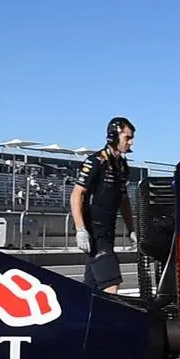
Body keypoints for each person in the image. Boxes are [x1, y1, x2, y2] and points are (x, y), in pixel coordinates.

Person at [72, 116, 136, 294]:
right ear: (114, 136)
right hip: (94, 232)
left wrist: (132, 229)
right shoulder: (96, 161)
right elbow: (76, 194)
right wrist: (81, 230)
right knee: (111, 284)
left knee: (91, 289)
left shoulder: (122, 166)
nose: (131, 143)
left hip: (108, 230)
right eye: (127, 138)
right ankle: (113, 321)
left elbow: (123, 200)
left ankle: (84, 319)